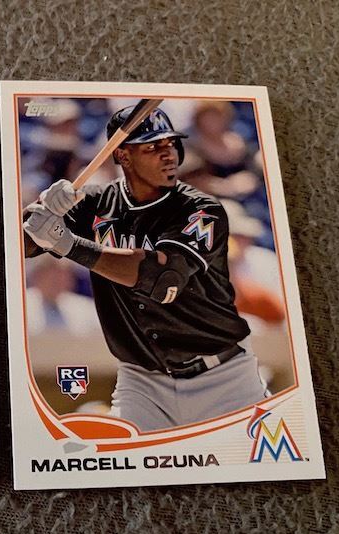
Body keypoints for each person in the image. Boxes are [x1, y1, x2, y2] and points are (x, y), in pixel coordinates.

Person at [22, 105, 268, 431]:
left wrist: (68, 244)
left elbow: (163, 280)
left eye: (170, 144)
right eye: (152, 147)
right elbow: (22, 247)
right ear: (123, 156)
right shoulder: (94, 203)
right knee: (120, 457)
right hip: (142, 383)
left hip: (223, 378)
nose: (168, 154)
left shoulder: (201, 209)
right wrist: (40, 211)